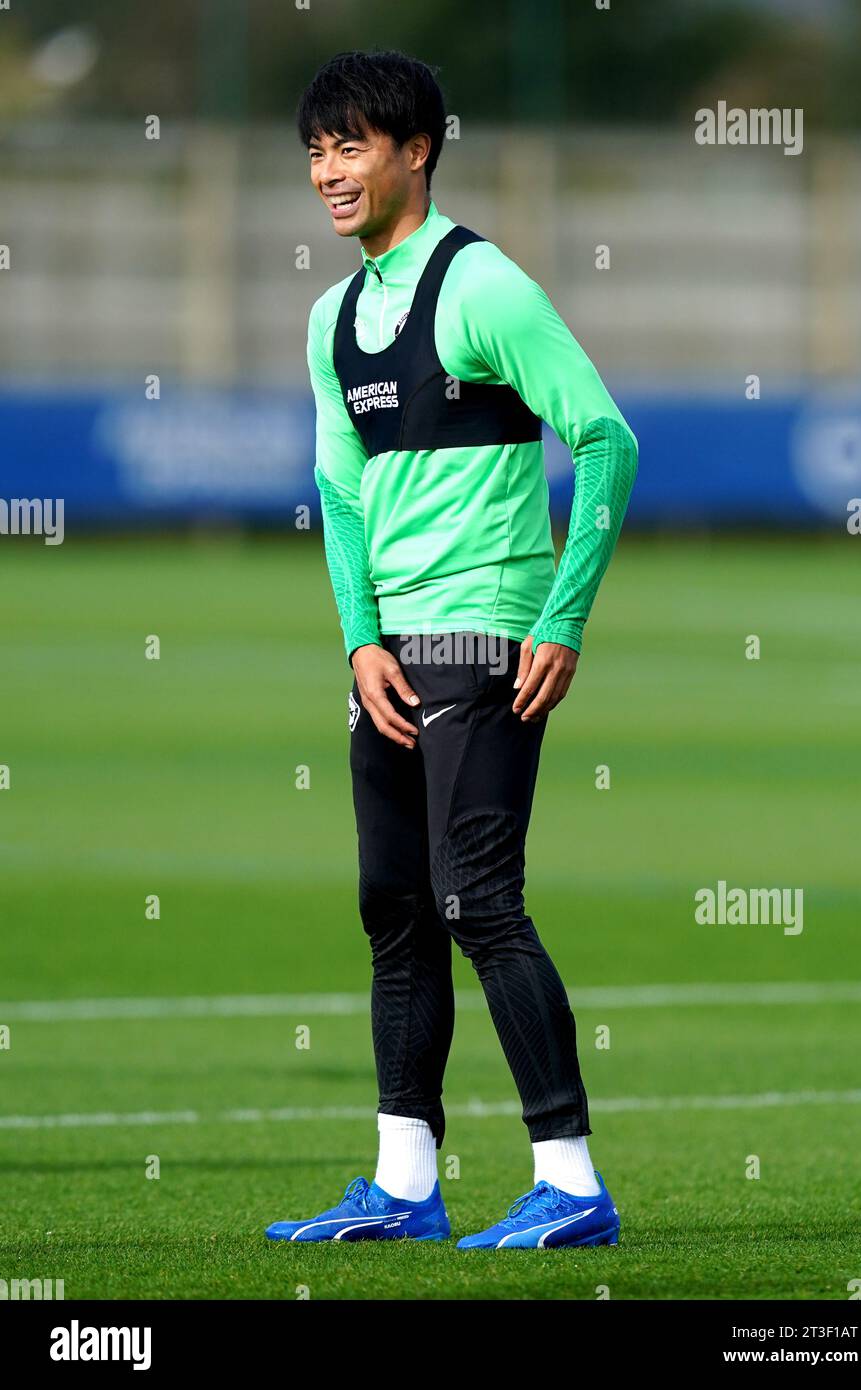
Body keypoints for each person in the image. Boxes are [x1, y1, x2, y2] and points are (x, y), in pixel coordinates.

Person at [266, 49, 637, 1250]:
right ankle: (404, 1186)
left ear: (415, 149)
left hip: (486, 638)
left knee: (479, 900)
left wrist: (563, 616)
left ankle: (572, 1186)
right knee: (394, 910)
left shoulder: (481, 288)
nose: (329, 171)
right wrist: (358, 640)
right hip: (392, 658)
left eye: (352, 146)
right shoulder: (330, 317)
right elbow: (341, 490)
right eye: (317, 149)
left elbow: (606, 439)